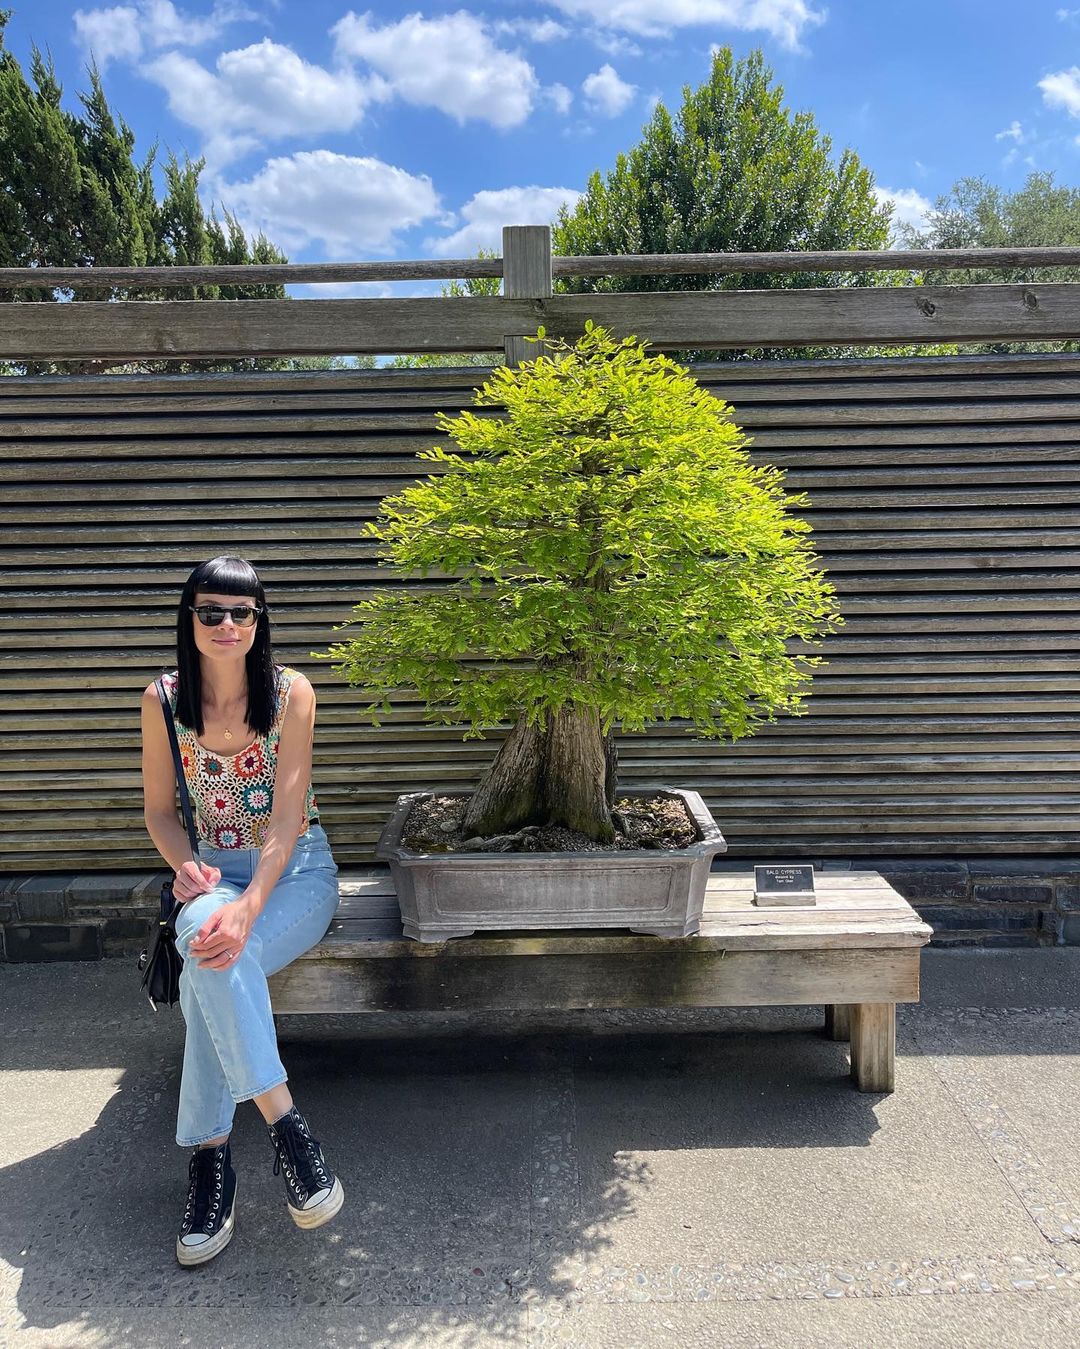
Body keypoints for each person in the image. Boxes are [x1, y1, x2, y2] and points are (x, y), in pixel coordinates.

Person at [140, 555, 343, 1267]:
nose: (227, 624)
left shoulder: (291, 693)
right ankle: (289, 1131)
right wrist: (185, 866)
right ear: (189, 619)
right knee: (211, 949)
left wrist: (252, 905)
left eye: (242, 612)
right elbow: (160, 813)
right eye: (211, 611)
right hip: (210, 876)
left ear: (259, 621)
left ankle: (211, 1165)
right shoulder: (163, 700)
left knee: (215, 959)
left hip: (294, 874)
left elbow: (286, 821)